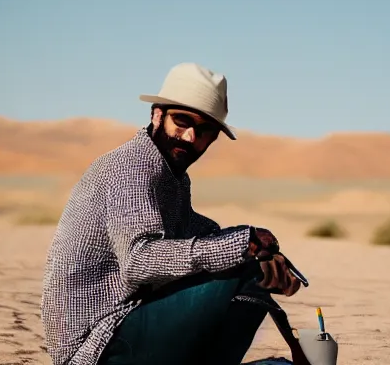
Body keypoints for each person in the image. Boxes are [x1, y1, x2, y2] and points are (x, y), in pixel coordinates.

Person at [41, 62, 303, 365]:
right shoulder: (132, 167)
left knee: (246, 263)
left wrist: (259, 248)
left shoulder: (171, 174)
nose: (191, 137)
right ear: (157, 114)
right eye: (182, 120)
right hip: (97, 344)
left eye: (205, 129)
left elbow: (194, 231)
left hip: (129, 324)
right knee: (242, 266)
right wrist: (242, 246)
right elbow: (139, 260)